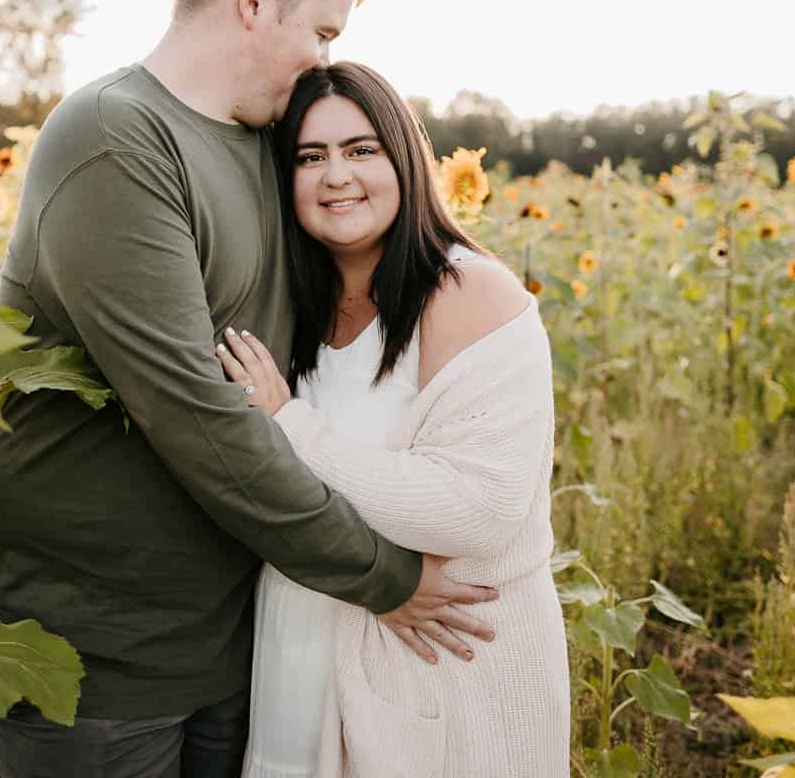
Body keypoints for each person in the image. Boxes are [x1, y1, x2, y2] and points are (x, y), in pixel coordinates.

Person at [0, 0, 498, 778]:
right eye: (322, 32)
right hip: (95, 656)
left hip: (234, 636)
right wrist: (380, 575)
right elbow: (196, 413)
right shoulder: (115, 139)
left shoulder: (264, 147)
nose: (328, 58)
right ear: (254, 0)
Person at [218, 62, 570, 777]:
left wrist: (289, 425)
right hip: (299, 649)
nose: (336, 176)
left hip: (445, 668)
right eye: (309, 158)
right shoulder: (291, 308)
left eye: (360, 149)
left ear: (404, 156)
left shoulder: (471, 292)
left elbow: (475, 509)